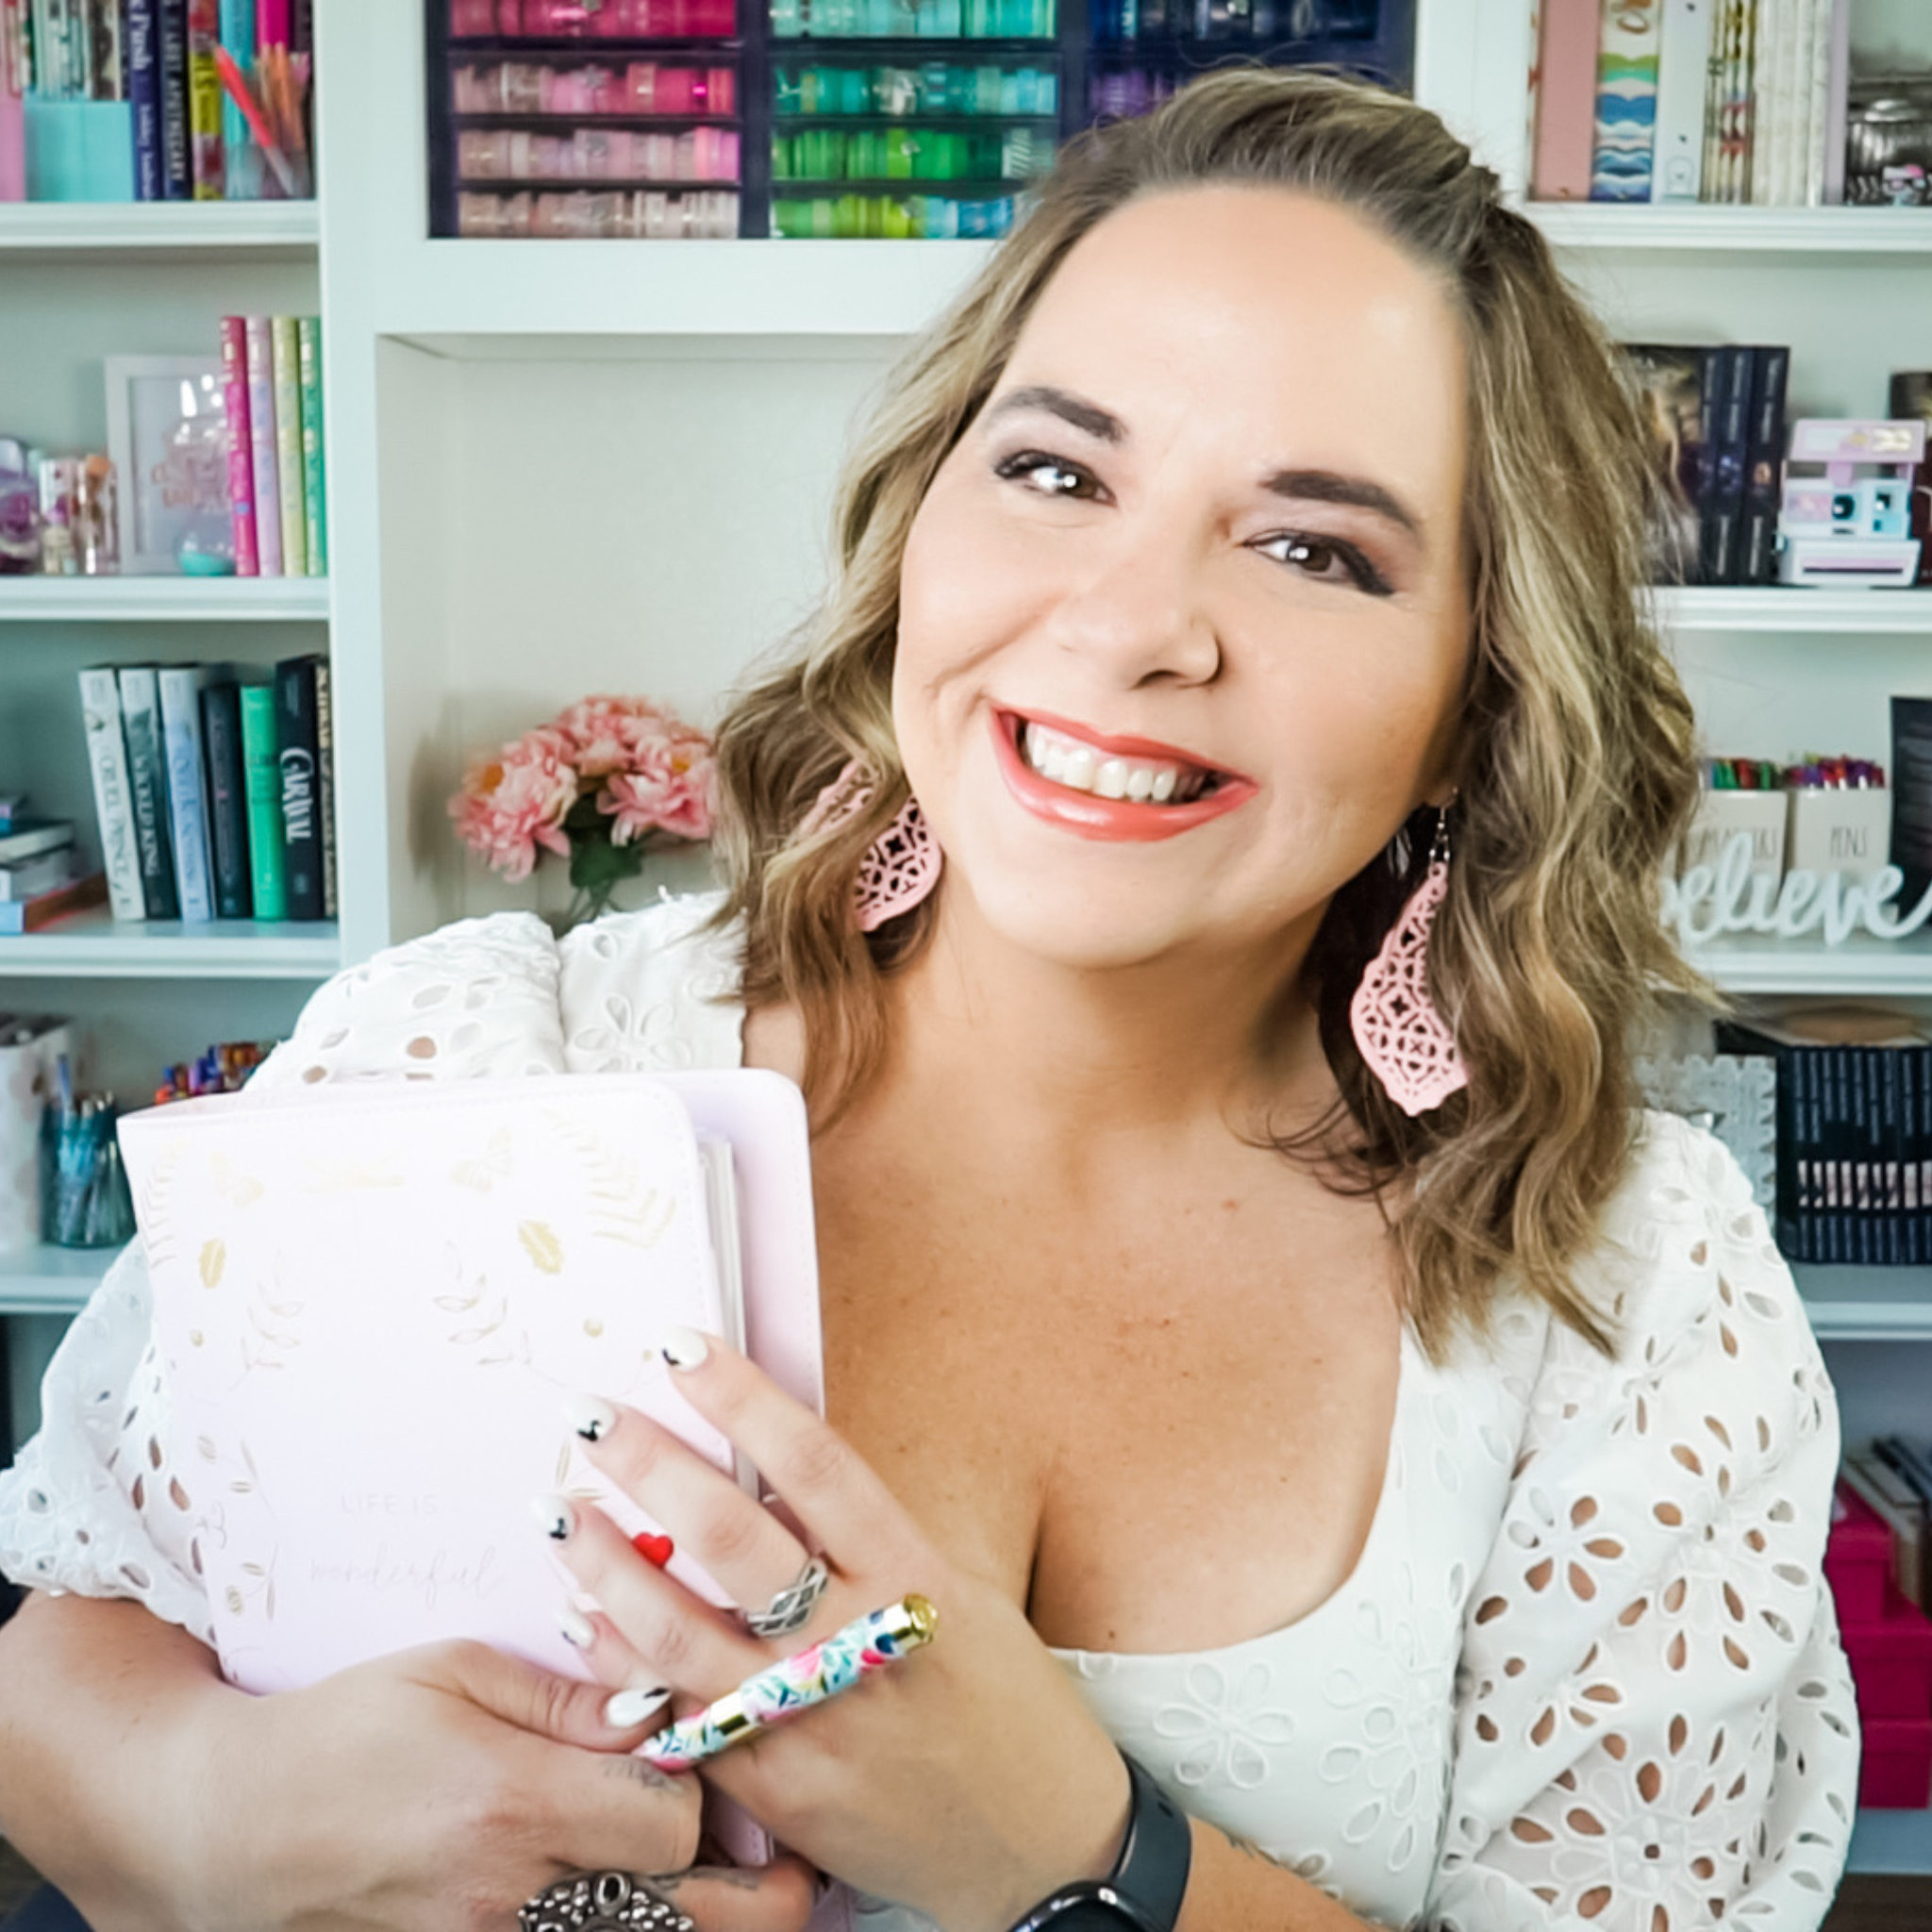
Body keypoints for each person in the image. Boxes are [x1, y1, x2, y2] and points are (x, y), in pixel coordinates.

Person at [0, 65, 1859, 1932]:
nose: (1133, 623)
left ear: (1475, 700)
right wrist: (209, 1817)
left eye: (1316, 547)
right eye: (1056, 469)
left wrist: (1072, 1854)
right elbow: (66, 1655)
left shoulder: (1625, 1295)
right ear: (919, 522)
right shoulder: (483, 1058)